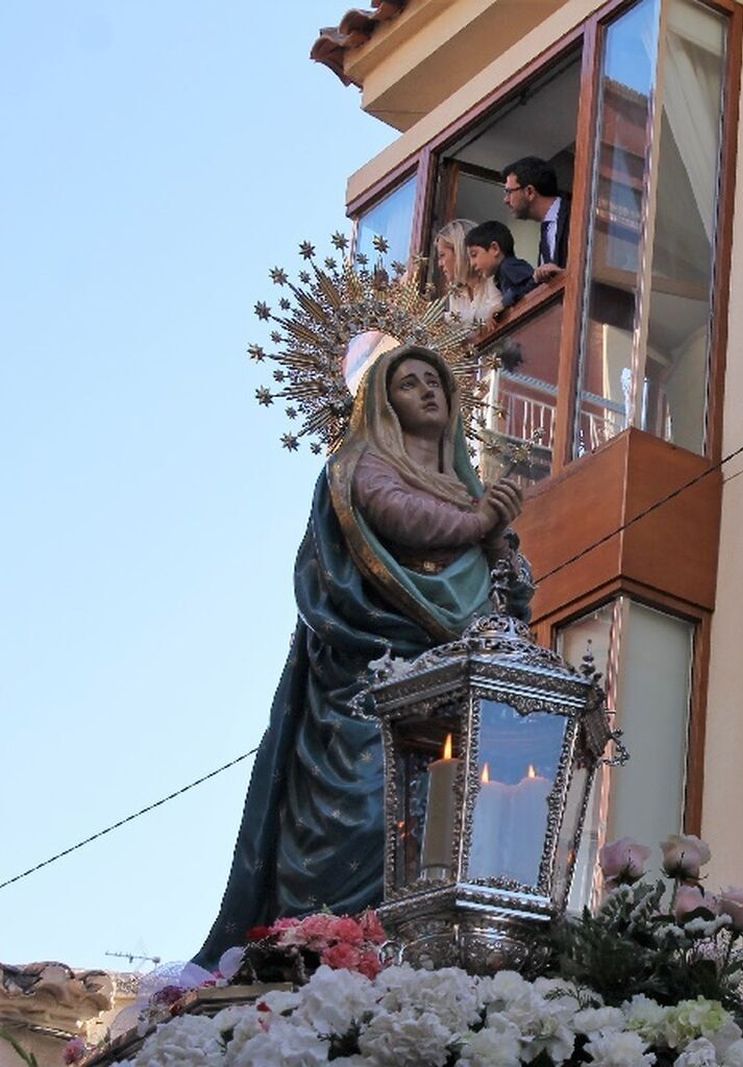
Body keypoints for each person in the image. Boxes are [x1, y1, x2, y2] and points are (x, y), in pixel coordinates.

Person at [194, 345, 532, 967]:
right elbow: (398, 514)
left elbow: (504, 583)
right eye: (409, 384)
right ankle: (321, 946)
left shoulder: (464, 485)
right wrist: (479, 520)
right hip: (369, 666)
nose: (429, 391)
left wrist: (504, 549)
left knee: (448, 825)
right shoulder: (361, 465)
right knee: (362, 811)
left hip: (455, 678)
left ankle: (421, 948)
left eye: (435, 381)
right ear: (382, 403)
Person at [502, 156, 570, 285]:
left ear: (529, 192)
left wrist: (564, 275)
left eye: (509, 192)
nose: (505, 200)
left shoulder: (576, 217)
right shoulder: (546, 229)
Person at [432, 218, 501, 326]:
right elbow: (458, 335)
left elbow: (498, 311)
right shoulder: (455, 293)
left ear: (459, 251)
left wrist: (445, 319)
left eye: (442, 255)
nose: (440, 264)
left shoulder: (492, 275)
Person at [465, 220, 539, 313]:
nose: (472, 263)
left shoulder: (508, 266)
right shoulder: (499, 275)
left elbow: (534, 283)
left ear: (495, 248)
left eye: (474, 255)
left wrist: (503, 304)